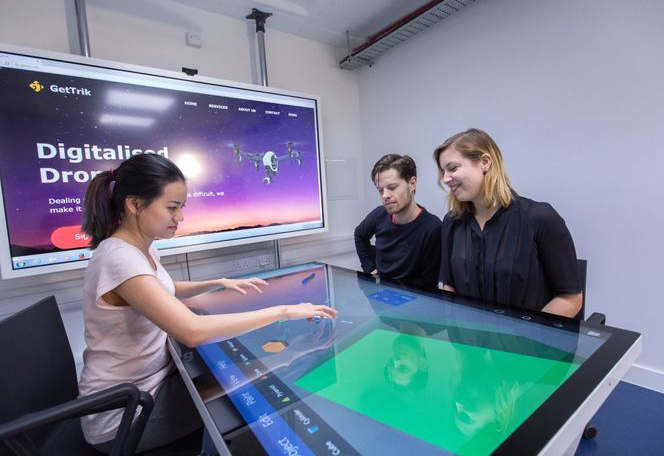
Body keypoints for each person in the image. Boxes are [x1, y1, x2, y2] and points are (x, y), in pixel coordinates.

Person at [79, 153, 336, 453]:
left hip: (151, 385)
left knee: (237, 372)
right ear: (134, 205)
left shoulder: (139, 249)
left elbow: (164, 288)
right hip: (126, 415)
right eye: (172, 207)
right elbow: (192, 331)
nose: (181, 217)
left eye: (182, 207)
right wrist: (284, 311)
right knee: (249, 394)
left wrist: (218, 282)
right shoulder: (119, 258)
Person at [434, 128, 582, 317]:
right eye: (443, 171)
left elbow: (570, 298)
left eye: (453, 168)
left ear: (485, 162)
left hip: (525, 344)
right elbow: (449, 285)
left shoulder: (540, 218)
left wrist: (528, 340)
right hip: (468, 343)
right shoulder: (452, 222)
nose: (445, 179)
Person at [354, 154, 442, 290]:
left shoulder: (433, 228)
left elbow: (428, 284)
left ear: (412, 183)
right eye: (380, 190)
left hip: (415, 302)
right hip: (382, 296)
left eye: (392, 187)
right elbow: (359, 235)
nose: (385, 196)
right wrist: (368, 268)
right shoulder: (379, 215)